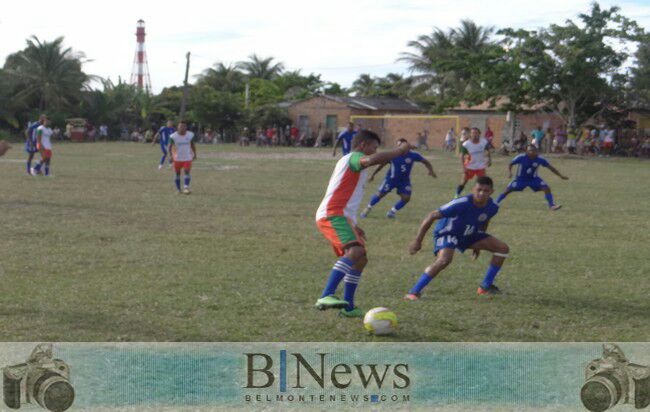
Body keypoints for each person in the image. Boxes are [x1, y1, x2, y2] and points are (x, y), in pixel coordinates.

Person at [315, 130, 414, 318]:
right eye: (373, 148)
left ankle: (348, 307)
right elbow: (370, 160)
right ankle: (326, 295)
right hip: (332, 214)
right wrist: (399, 150)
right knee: (355, 252)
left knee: (361, 260)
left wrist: (353, 224)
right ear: (363, 146)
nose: (375, 151)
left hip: (343, 217)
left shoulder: (354, 164)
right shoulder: (354, 157)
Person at [404, 176, 508, 300]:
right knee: (444, 260)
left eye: (486, 191)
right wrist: (417, 241)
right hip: (448, 233)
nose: (481, 193)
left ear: (492, 192)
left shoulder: (493, 207)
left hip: (469, 234)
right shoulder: (461, 203)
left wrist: (479, 242)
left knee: (502, 248)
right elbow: (432, 215)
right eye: (478, 189)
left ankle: (485, 287)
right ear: (473, 189)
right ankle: (413, 292)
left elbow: (484, 220)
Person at [361, 138, 436, 219]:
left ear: (406, 146)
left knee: (406, 198)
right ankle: (368, 208)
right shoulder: (392, 155)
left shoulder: (413, 155)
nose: (399, 148)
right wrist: (373, 175)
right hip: (391, 180)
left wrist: (430, 170)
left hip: (404, 181)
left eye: (402, 146)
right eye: (398, 146)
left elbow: (425, 161)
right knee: (380, 195)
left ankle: (392, 212)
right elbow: (381, 165)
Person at [496, 144, 568, 210]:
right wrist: (510, 173)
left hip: (533, 179)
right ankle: (495, 203)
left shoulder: (540, 159)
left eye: (535, 150)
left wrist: (560, 175)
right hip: (520, 179)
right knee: (507, 190)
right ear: (527, 151)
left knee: (546, 188)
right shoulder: (521, 157)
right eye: (531, 150)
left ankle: (552, 205)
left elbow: (550, 167)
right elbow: (510, 164)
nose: (533, 152)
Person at [456, 127, 491, 197]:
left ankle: (479, 196)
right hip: (469, 166)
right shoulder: (466, 144)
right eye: (473, 133)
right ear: (470, 134)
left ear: (479, 134)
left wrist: (489, 159)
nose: (474, 134)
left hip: (480, 166)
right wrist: (463, 167)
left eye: (476, 133)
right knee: (463, 182)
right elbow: (461, 156)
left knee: (482, 182)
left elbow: (488, 150)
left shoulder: (484, 142)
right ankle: (456, 195)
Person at [168, 120, 196, 195]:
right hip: (177, 158)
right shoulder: (173, 136)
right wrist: (170, 155)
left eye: (184, 126)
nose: (182, 128)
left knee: (187, 172)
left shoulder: (190, 135)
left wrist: (195, 154)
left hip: (187, 157)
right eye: (180, 126)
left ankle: (186, 188)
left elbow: (192, 144)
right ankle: (178, 189)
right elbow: (170, 146)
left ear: (186, 127)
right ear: (177, 127)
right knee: (177, 174)